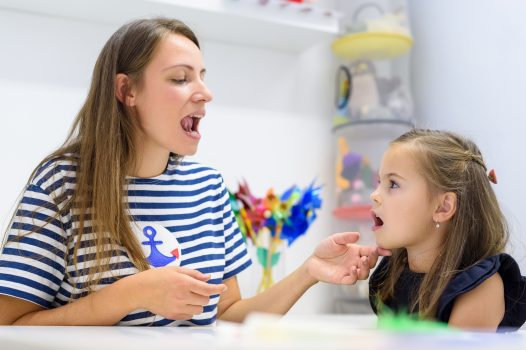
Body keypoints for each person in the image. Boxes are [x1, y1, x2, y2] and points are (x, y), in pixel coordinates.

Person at [0, 18, 385, 326]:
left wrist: (310, 271)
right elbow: (10, 323)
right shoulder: (61, 184)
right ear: (126, 91)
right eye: (181, 78)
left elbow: (228, 315)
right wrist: (127, 295)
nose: (205, 92)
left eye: (202, 75)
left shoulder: (208, 187)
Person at [368, 129, 526, 331]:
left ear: (443, 207)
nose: (374, 195)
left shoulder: (480, 287)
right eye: (379, 182)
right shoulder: (392, 273)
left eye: (393, 184)